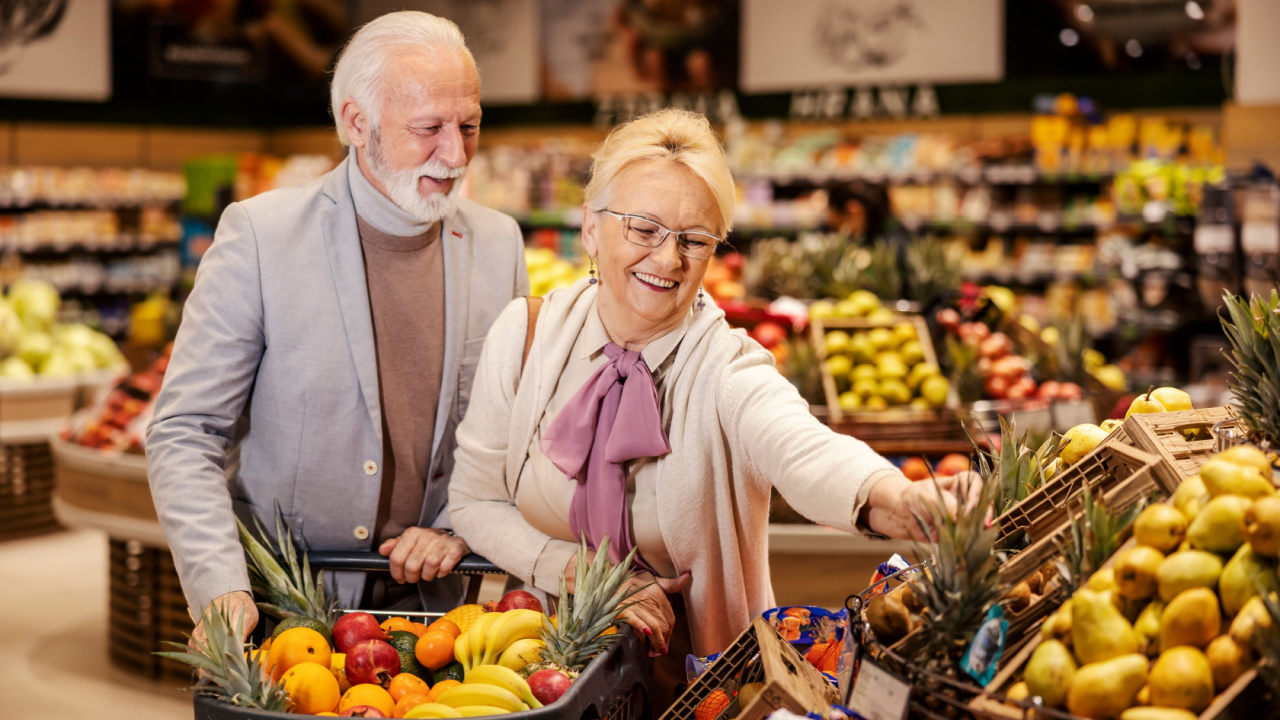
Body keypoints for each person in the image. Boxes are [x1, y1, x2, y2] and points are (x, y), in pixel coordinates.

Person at [447, 108, 978, 702]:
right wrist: (569, 569)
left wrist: (892, 498)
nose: (668, 260)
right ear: (592, 229)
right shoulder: (525, 338)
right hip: (533, 677)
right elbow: (474, 499)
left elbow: (798, 445)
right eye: (643, 229)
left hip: (702, 692)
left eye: (694, 241)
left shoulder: (727, 366)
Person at [146, 11, 528, 644]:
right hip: (288, 612)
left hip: (442, 616)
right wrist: (221, 586)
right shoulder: (261, 237)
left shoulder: (497, 243)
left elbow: (514, 429)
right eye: (428, 129)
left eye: (469, 126)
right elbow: (186, 430)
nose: (456, 154)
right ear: (356, 123)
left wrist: (463, 527)